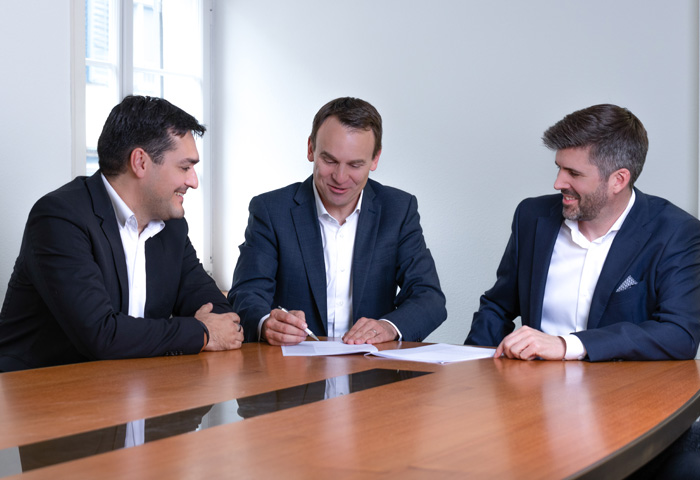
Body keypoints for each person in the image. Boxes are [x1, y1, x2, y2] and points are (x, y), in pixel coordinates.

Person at [0, 95, 243, 372]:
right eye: (185, 167)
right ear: (140, 162)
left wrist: (210, 328)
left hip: (130, 385)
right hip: (41, 389)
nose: (193, 182)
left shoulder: (171, 226)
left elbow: (220, 314)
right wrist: (201, 333)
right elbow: (101, 335)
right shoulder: (59, 218)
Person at [466, 103, 700, 361]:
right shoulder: (531, 217)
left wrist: (567, 345)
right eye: (559, 167)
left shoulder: (676, 233)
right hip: (533, 383)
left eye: (574, 173)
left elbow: (679, 333)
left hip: (622, 385)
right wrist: (468, 364)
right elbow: (498, 306)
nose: (558, 183)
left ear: (618, 180)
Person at [228, 96, 446, 345]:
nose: (340, 178)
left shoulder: (398, 210)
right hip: (291, 364)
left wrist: (388, 327)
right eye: (329, 161)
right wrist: (267, 323)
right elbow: (246, 293)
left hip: (372, 364)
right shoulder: (270, 210)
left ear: (375, 159)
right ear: (311, 149)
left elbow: (429, 297)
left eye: (355, 165)